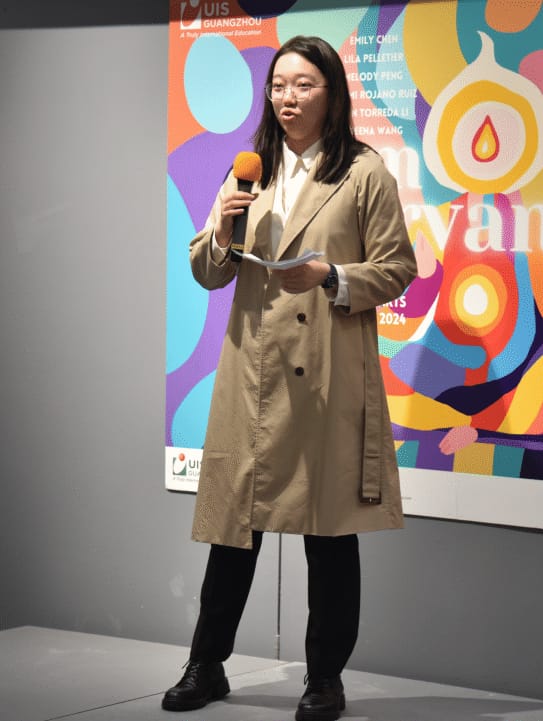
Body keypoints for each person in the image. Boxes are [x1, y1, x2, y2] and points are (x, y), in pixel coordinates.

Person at [162, 35, 418, 721]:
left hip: (325, 375)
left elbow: (398, 268)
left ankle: (324, 678)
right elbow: (207, 271)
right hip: (251, 371)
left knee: (328, 535)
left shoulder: (363, 172)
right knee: (231, 530)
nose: (287, 98)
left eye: (303, 85)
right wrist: (220, 232)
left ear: (331, 93)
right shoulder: (249, 169)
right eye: (278, 85)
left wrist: (331, 275)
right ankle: (205, 664)